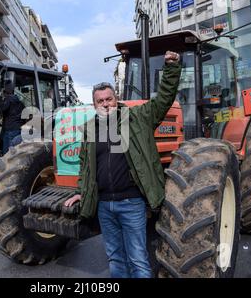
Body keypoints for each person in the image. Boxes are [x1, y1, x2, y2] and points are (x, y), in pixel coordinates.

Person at [64, 51, 182, 278]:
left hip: (131, 204)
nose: (105, 104)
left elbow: (165, 98)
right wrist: (82, 191)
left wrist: (171, 68)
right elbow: (85, 165)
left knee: (138, 259)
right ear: (94, 104)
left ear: (115, 99)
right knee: (115, 259)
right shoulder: (90, 129)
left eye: (109, 99)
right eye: (100, 101)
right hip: (104, 206)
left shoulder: (138, 117)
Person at [0, 82, 25, 155]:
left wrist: (0, 100)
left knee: (8, 152)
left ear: (5, 93)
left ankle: (6, 164)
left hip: (10, 129)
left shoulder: (8, 100)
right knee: (13, 150)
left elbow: (3, 109)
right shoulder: (19, 102)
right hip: (16, 127)